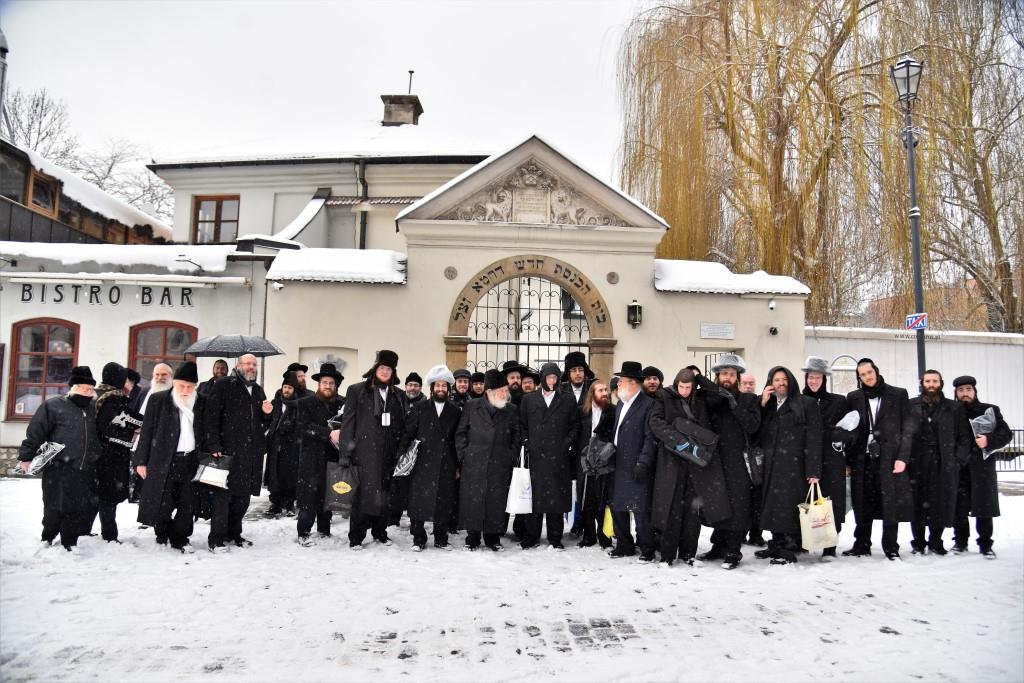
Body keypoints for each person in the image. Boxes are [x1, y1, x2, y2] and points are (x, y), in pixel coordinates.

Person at [649, 368, 731, 565]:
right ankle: (668, 555)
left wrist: (700, 377)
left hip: (696, 464)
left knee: (692, 512)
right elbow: (656, 423)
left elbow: (721, 396)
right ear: (676, 383)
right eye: (681, 387)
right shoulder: (664, 396)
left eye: (688, 387)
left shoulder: (702, 397)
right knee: (671, 509)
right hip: (672, 462)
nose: (684, 391)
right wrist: (680, 441)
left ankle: (688, 554)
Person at [19, 367, 101, 551]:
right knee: (54, 504)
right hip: (58, 467)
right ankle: (48, 534)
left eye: (91, 390)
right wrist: (26, 456)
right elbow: (35, 432)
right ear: (73, 388)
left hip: (84, 468)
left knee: (77, 507)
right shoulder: (53, 406)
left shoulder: (93, 408)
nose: (88, 393)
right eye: (84, 389)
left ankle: (69, 541)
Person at [843, 358, 916, 560]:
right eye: (863, 375)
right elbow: (850, 430)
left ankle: (891, 547)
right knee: (862, 502)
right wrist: (848, 461)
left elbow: (907, 430)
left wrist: (903, 457)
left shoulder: (898, 394)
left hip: (889, 459)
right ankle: (861, 544)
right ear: (859, 378)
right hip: (862, 459)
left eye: (869, 372)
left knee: (889, 503)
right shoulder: (853, 397)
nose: (867, 377)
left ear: (876, 370)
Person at [204, 353, 274, 551]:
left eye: (254, 364)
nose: (251, 367)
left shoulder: (258, 390)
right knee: (223, 497)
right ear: (238, 365)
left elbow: (263, 422)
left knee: (242, 499)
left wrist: (268, 414)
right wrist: (214, 445)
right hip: (227, 451)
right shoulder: (224, 385)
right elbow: (211, 417)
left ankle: (234, 534)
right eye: (248, 363)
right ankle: (216, 539)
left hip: (250, 454)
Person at [754, 366, 823, 564]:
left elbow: (814, 437)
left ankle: (788, 549)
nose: (780, 383)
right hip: (770, 466)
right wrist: (762, 403)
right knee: (771, 505)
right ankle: (776, 543)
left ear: (791, 381)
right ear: (770, 383)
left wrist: (814, 470)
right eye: (776, 380)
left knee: (787, 507)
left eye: (784, 379)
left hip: (794, 466)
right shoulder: (768, 404)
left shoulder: (806, 403)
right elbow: (755, 430)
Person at [339, 349, 407, 549]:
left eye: (389, 369)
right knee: (361, 499)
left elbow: (402, 425)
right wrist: (345, 453)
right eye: (382, 368)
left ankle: (380, 532)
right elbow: (348, 424)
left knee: (384, 497)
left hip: (388, 456)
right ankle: (356, 537)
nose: (385, 372)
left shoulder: (399, 395)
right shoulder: (357, 391)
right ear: (375, 368)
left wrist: (400, 452)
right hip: (363, 455)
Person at [134, 362, 205, 553]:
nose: (185, 390)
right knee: (163, 502)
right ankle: (162, 532)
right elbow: (146, 432)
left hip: (190, 461)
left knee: (187, 503)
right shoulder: (158, 400)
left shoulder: (201, 402)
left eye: (190, 387)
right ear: (174, 383)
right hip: (163, 460)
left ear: (195, 386)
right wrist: (141, 461)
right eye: (181, 385)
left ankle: (181, 537)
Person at [699, 354, 761, 568]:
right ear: (717, 376)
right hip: (715, 460)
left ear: (737, 377)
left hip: (738, 462)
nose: (727, 377)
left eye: (732, 374)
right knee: (718, 504)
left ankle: (733, 551)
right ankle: (718, 546)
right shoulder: (709, 400)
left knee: (738, 506)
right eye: (724, 373)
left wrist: (735, 404)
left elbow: (752, 426)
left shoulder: (749, 400)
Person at [455, 369, 520, 551]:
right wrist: (465, 455)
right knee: (473, 500)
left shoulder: (511, 410)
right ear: (488, 392)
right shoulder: (471, 406)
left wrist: (510, 455)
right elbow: (460, 433)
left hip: (500, 464)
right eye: (500, 390)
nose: (504, 393)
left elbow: (517, 436)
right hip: (474, 463)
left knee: (496, 500)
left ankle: (492, 538)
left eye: (504, 390)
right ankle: (472, 537)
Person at [908, 370, 972, 555]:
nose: (931, 384)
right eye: (927, 381)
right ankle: (918, 543)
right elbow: (904, 434)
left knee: (939, 503)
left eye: (935, 381)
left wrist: (957, 461)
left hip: (943, 463)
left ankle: (935, 541)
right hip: (917, 463)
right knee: (918, 503)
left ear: (941, 383)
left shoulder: (954, 408)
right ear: (922, 383)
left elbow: (964, 437)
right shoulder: (911, 405)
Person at [398, 365, 461, 551]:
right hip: (421, 463)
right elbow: (408, 434)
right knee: (417, 502)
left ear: (448, 389)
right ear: (431, 388)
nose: (440, 389)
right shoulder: (419, 408)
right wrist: (402, 456)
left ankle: (441, 538)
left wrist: (458, 465)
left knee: (443, 502)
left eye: (444, 386)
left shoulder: (455, 411)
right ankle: (419, 539)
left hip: (446, 463)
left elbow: (457, 439)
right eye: (437, 385)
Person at [519, 363, 581, 550]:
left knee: (556, 499)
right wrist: (528, 442)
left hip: (559, 458)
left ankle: (555, 537)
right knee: (534, 499)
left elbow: (575, 426)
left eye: (555, 378)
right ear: (543, 378)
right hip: (536, 457)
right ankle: (532, 536)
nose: (552, 381)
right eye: (549, 378)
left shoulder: (568, 400)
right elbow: (522, 425)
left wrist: (566, 443)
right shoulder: (529, 400)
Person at [801, 356, 856, 559]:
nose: (813, 381)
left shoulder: (838, 402)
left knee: (830, 503)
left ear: (824, 379)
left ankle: (829, 545)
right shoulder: (799, 401)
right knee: (806, 502)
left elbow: (852, 431)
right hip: (805, 460)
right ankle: (804, 540)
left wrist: (842, 436)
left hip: (832, 461)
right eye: (810, 377)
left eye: (817, 377)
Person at [952, 375, 1012, 558]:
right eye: (961, 390)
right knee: (959, 508)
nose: (965, 394)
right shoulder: (951, 411)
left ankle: (985, 544)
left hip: (982, 468)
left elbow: (1006, 433)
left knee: (984, 507)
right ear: (956, 393)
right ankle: (960, 542)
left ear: (975, 391)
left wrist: (989, 440)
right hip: (959, 468)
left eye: (968, 390)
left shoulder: (989, 410)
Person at [607, 361, 656, 560]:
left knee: (640, 509)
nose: (617, 385)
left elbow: (650, 437)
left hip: (636, 464)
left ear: (633, 383)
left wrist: (643, 462)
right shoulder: (621, 403)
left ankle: (647, 548)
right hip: (618, 462)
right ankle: (624, 545)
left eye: (621, 382)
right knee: (618, 506)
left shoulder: (648, 405)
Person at [92, 362, 143, 543]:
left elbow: (126, 417)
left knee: (102, 497)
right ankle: (109, 536)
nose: (130, 386)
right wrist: (134, 431)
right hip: (109, 456)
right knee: (108, 498)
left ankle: (86, 529)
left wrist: (139, 423)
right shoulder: (112, 399)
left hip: (105, 455)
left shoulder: (103, 395)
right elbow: (111, 426)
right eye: (127, 381)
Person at [295, 363, 345, 545]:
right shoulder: (305, 403)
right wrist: (327, 433)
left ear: (336, 385)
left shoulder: (342, 403)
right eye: (324, 382)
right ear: (318, 384)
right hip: (311, 458)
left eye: (331, 383)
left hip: (333, 457)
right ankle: (303, 532)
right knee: (309, 497)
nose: (328, 386)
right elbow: (303, 426)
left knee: (328, 495)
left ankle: (324, 530)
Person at [576, 380, 615, 548]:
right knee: (586, 501)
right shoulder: (582, 412)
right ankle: (588, 535)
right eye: (600, 390)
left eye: (605, 389)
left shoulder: (613, 412)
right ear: (592, 393)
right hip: (585, 463)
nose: (604, 393)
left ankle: (604, 535)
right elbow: (577, 435)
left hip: (605, 462)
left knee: (603, 501)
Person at [264, 372, 304, 517]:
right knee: (274, 475)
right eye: (285, 387)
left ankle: (288, 504)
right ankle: (275, 503)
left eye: (290, 388)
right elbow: (267, 421)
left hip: (292, 446)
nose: (286, 390)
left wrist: (290, 425)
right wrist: (266, 413)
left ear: (294, 391)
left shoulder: (298, 405)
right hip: (276, 446)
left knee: (290, 476)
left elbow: (301, 424)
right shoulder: (275, 403)